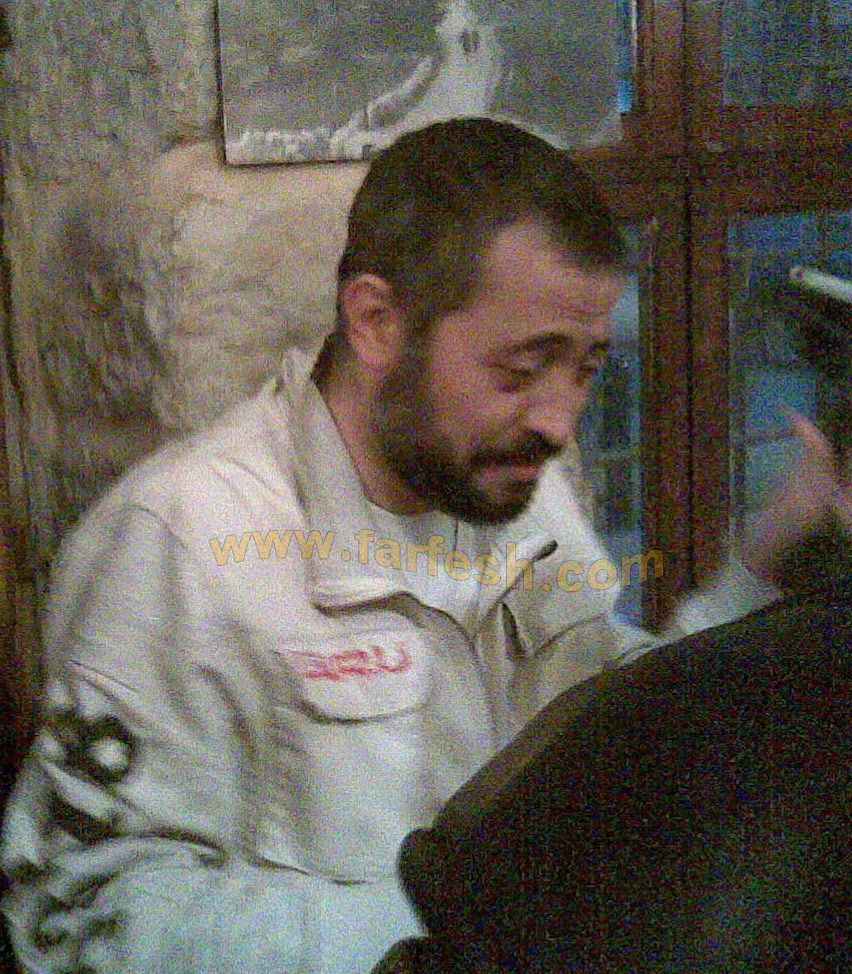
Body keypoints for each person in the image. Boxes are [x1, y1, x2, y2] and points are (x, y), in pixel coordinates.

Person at [0, 119, 835, 974]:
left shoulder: (513, 481)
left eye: (586, 369)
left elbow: (604, 724)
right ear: (377, 322)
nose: (560, 422)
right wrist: (452, 922)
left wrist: (759, 567)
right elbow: (74, 915)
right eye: (521, 370)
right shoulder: (178, 542)